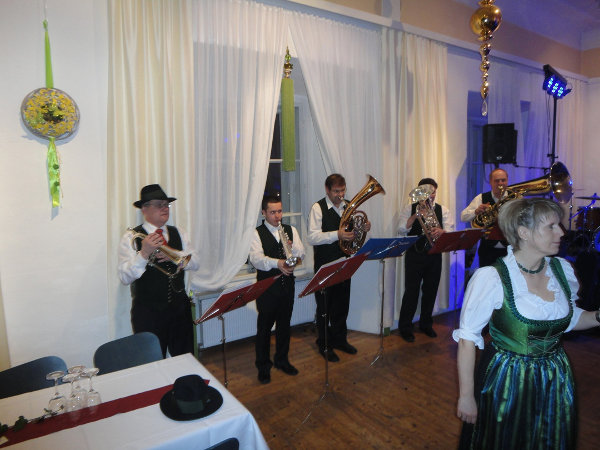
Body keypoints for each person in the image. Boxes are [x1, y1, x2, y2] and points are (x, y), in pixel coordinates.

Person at [454, 197, 600, 449]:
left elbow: (570, 319)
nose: (561, 232)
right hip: (508, 380)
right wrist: (466, 397)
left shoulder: (560, 269)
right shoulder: (492, 277)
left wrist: (597, 315)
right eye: (551, 226)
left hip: (556, 377)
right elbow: (467, 340)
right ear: (524, 232)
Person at [118, 184, 199, 358]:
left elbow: (196, 262)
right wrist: (144, 253)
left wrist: (174, 255)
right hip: (148, 313)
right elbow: (124, 277)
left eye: (166, 204)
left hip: (180, 309)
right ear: (144, 209)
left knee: (185, 359)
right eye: (159, 204)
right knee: (152, 361)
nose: (165, 208)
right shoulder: (131, 237)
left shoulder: (180, 233)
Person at [307, 173, 369, 361]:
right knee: (324, 308)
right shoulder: (318, 208)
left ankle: (340, 340)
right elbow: (312, 237)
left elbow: (354, 232)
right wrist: (337, 235)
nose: (340, 195)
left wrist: (363, 228)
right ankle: (324, 344)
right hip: (325, 265)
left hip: (344, 263)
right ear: (327, 190)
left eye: (342, 190)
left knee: (342, 305)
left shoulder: (348, 206)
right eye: (336, 191)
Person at [249, 195, 305, 384]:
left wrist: (292, 250)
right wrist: (278, 263)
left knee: (284, 326)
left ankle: (282, 360)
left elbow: (301, 253)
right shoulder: (256, 233)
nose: (277, 216)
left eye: (279, 211)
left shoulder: (290, 230)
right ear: (263, 213)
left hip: (287, 287)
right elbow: (257, 260)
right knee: (264, 329)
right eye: (272, 212)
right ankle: (263, 366)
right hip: (266, 289)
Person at [397, 178, 454, 342]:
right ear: (420, 193)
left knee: (431, 290)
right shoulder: (410, 208)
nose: (431, 196)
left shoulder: (443, 210)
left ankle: (426, 324)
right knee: (411, 291)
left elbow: (450, 231)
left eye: (433, 192)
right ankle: (405, 327)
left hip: (434, 254)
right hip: (414, 255)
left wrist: (442, 232)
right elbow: (401, 229)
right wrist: (416, 216)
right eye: (427, 192)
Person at [460, 168, 509, 267]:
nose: (500, 183)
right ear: (490, 182)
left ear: (507, 181)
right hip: (487, 249)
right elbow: (463, 217)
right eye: (497, 181)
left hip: (510, 248)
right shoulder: (481, 198)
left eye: (503, 180)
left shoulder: (514, 198)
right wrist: (476, 211)